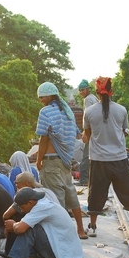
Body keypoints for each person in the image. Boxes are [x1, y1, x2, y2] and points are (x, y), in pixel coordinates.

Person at [83, 76, 129, 237]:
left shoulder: (89, 112)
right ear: (111, 91)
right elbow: (125, 131)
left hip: (98, 160)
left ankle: (93, 226)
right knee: (128, 190)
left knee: (95, 193)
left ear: (96, 92)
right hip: (119, 159)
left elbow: (88, 134)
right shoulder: (121, 110)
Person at [0, 188, 85, 258]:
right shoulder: (42, 203)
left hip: (62, 253)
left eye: (22, 207)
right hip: (64, 248)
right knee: (28, 226)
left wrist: (13, 225)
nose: (22, 211)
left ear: (30, 202)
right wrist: (16, 225)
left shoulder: (41, 207)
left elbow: (20, 229)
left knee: (28, 229)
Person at [35, 82, 88, 239]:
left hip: (51, 161)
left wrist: (38, 160)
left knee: (55, 200)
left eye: (42, 97)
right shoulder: (67, 112)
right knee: (71, 195)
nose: (40, 100)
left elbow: (43, 139)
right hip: (65, 160)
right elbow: (75, 135)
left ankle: (64, 235)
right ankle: (80, 230)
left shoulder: (45, 112)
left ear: (50, 95)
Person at [78, 79, 99, 186]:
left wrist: (86, 133)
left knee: (86, 156)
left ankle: (83, 180)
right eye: (80, 91)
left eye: (83, 90)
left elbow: (89, 117)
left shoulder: (88, 100)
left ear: (88, 89)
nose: (81, 92)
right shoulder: (94, 98)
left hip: (91, 131)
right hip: (97, 131)